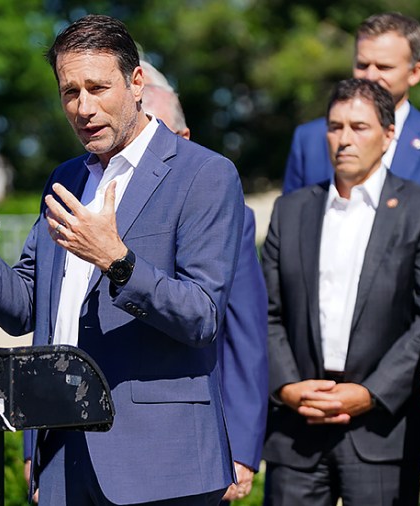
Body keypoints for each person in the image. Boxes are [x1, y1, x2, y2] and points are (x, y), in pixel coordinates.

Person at [0, 14, 244, 505]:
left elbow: (202, 316)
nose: (83, 107)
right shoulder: (66, 178)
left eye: (98, 88)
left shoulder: (204, 174)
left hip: (162, 465)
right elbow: (24, 308)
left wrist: (118, 261)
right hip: (63, 454)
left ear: (137, 81)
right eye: (69, 92)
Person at [261, 78, 420, 505]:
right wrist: (289, 387)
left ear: (389, 135)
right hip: (297, 429)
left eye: (359, 127)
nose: (344, 139)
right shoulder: (290, 210)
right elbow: (268, 312)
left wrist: (372, 392)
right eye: (335, 127)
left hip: (381, 430)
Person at [140, 60, 269, 502]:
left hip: (190, 444)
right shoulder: (80, 199)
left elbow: (244, 333)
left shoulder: (225, 209)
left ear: (182, 139)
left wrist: (242, 448)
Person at [282, 12, 420, 227]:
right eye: (362, 65)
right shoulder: (310, 140)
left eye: (384, 67)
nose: (370, 76)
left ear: (415, 72)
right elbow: (289, 230)